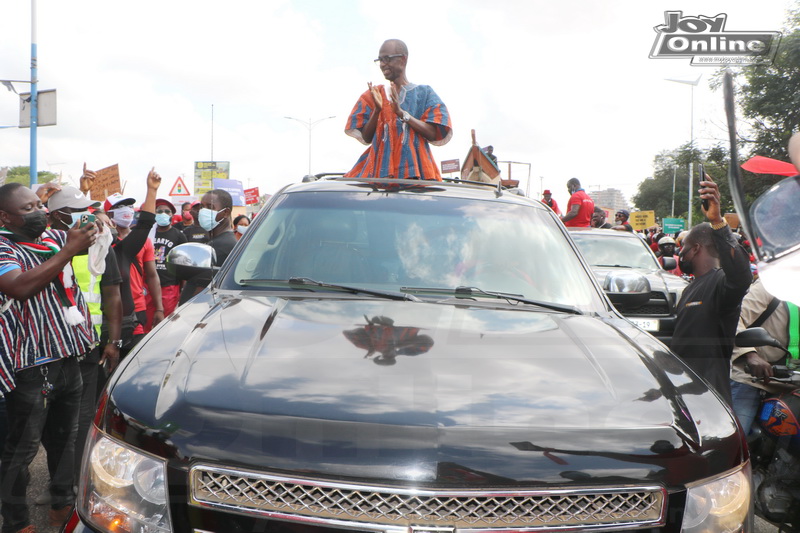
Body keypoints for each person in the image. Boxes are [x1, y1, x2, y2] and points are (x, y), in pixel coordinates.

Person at [0, 182, 98, 531]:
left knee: (64, 440)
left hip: (68, 356)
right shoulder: (2, 248)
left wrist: (86, 214)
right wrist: (67, 250)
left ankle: (62, 506)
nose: (38, 212)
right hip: (30, 366)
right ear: (4, 217)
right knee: (22, 451)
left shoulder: (55, 239)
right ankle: (16, 521)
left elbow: (92, 234)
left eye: (38, 205)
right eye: (27, 209)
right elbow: (18, 286)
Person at [43, 186, 123, 495]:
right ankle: (61, 482)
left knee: (78, 424)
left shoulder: (101, 244)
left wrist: (113, 341)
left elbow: (112, 294)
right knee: (47, 427)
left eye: (88, 209)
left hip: (87, 348)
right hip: (48, 349)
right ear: (57, 216)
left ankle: (70, 488)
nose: (85, 216)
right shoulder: (40, 246)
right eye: (78, 210)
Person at [670, 175, 752, 405]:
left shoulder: (720, 283)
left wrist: (718, 221)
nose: (680, 254)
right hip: (682, 394)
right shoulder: (690, 289)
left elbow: (741, 277)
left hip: (709, 400)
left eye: (683, 248)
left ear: (695, 249)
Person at [344, 38, 452, 180]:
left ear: (403, 59)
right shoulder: (374, 94)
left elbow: (434, 133)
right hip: (379, 174)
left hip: (416, 173)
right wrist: (377, 111)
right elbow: (366, 137)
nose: (383, 64)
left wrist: (402, 114)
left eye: (387, 59)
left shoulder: (424, 93)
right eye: (380, 60)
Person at [101, 169, 162, 355]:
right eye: (120, 208)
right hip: (96, 324)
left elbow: (145, 224)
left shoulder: (123, 250)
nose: (126, 211)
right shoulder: (85, 249)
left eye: (128, 207)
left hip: (131, 317)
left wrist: (152, 190)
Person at [730, 279, 799, 434]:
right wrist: (750, 354)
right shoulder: (771, 285)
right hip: (755, 380)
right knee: (736, 442)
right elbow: (734, 319)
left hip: (795, 385)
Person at [179, 189, 237, 305]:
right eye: (202, 207)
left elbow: (201, 291)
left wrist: (187, 312)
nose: (203, 211)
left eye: (210, 207)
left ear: (225, 213)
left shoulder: (222, 246)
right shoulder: (216, 241)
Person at [152, 199, 187, 318]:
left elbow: (184, 265)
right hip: (148, 286)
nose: (163, 214)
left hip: (169, 287)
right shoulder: (149, 234)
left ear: (172, 215)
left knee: (164, 322)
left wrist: (183, 290)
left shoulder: (179, 235)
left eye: (167, 211)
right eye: (159, 211)